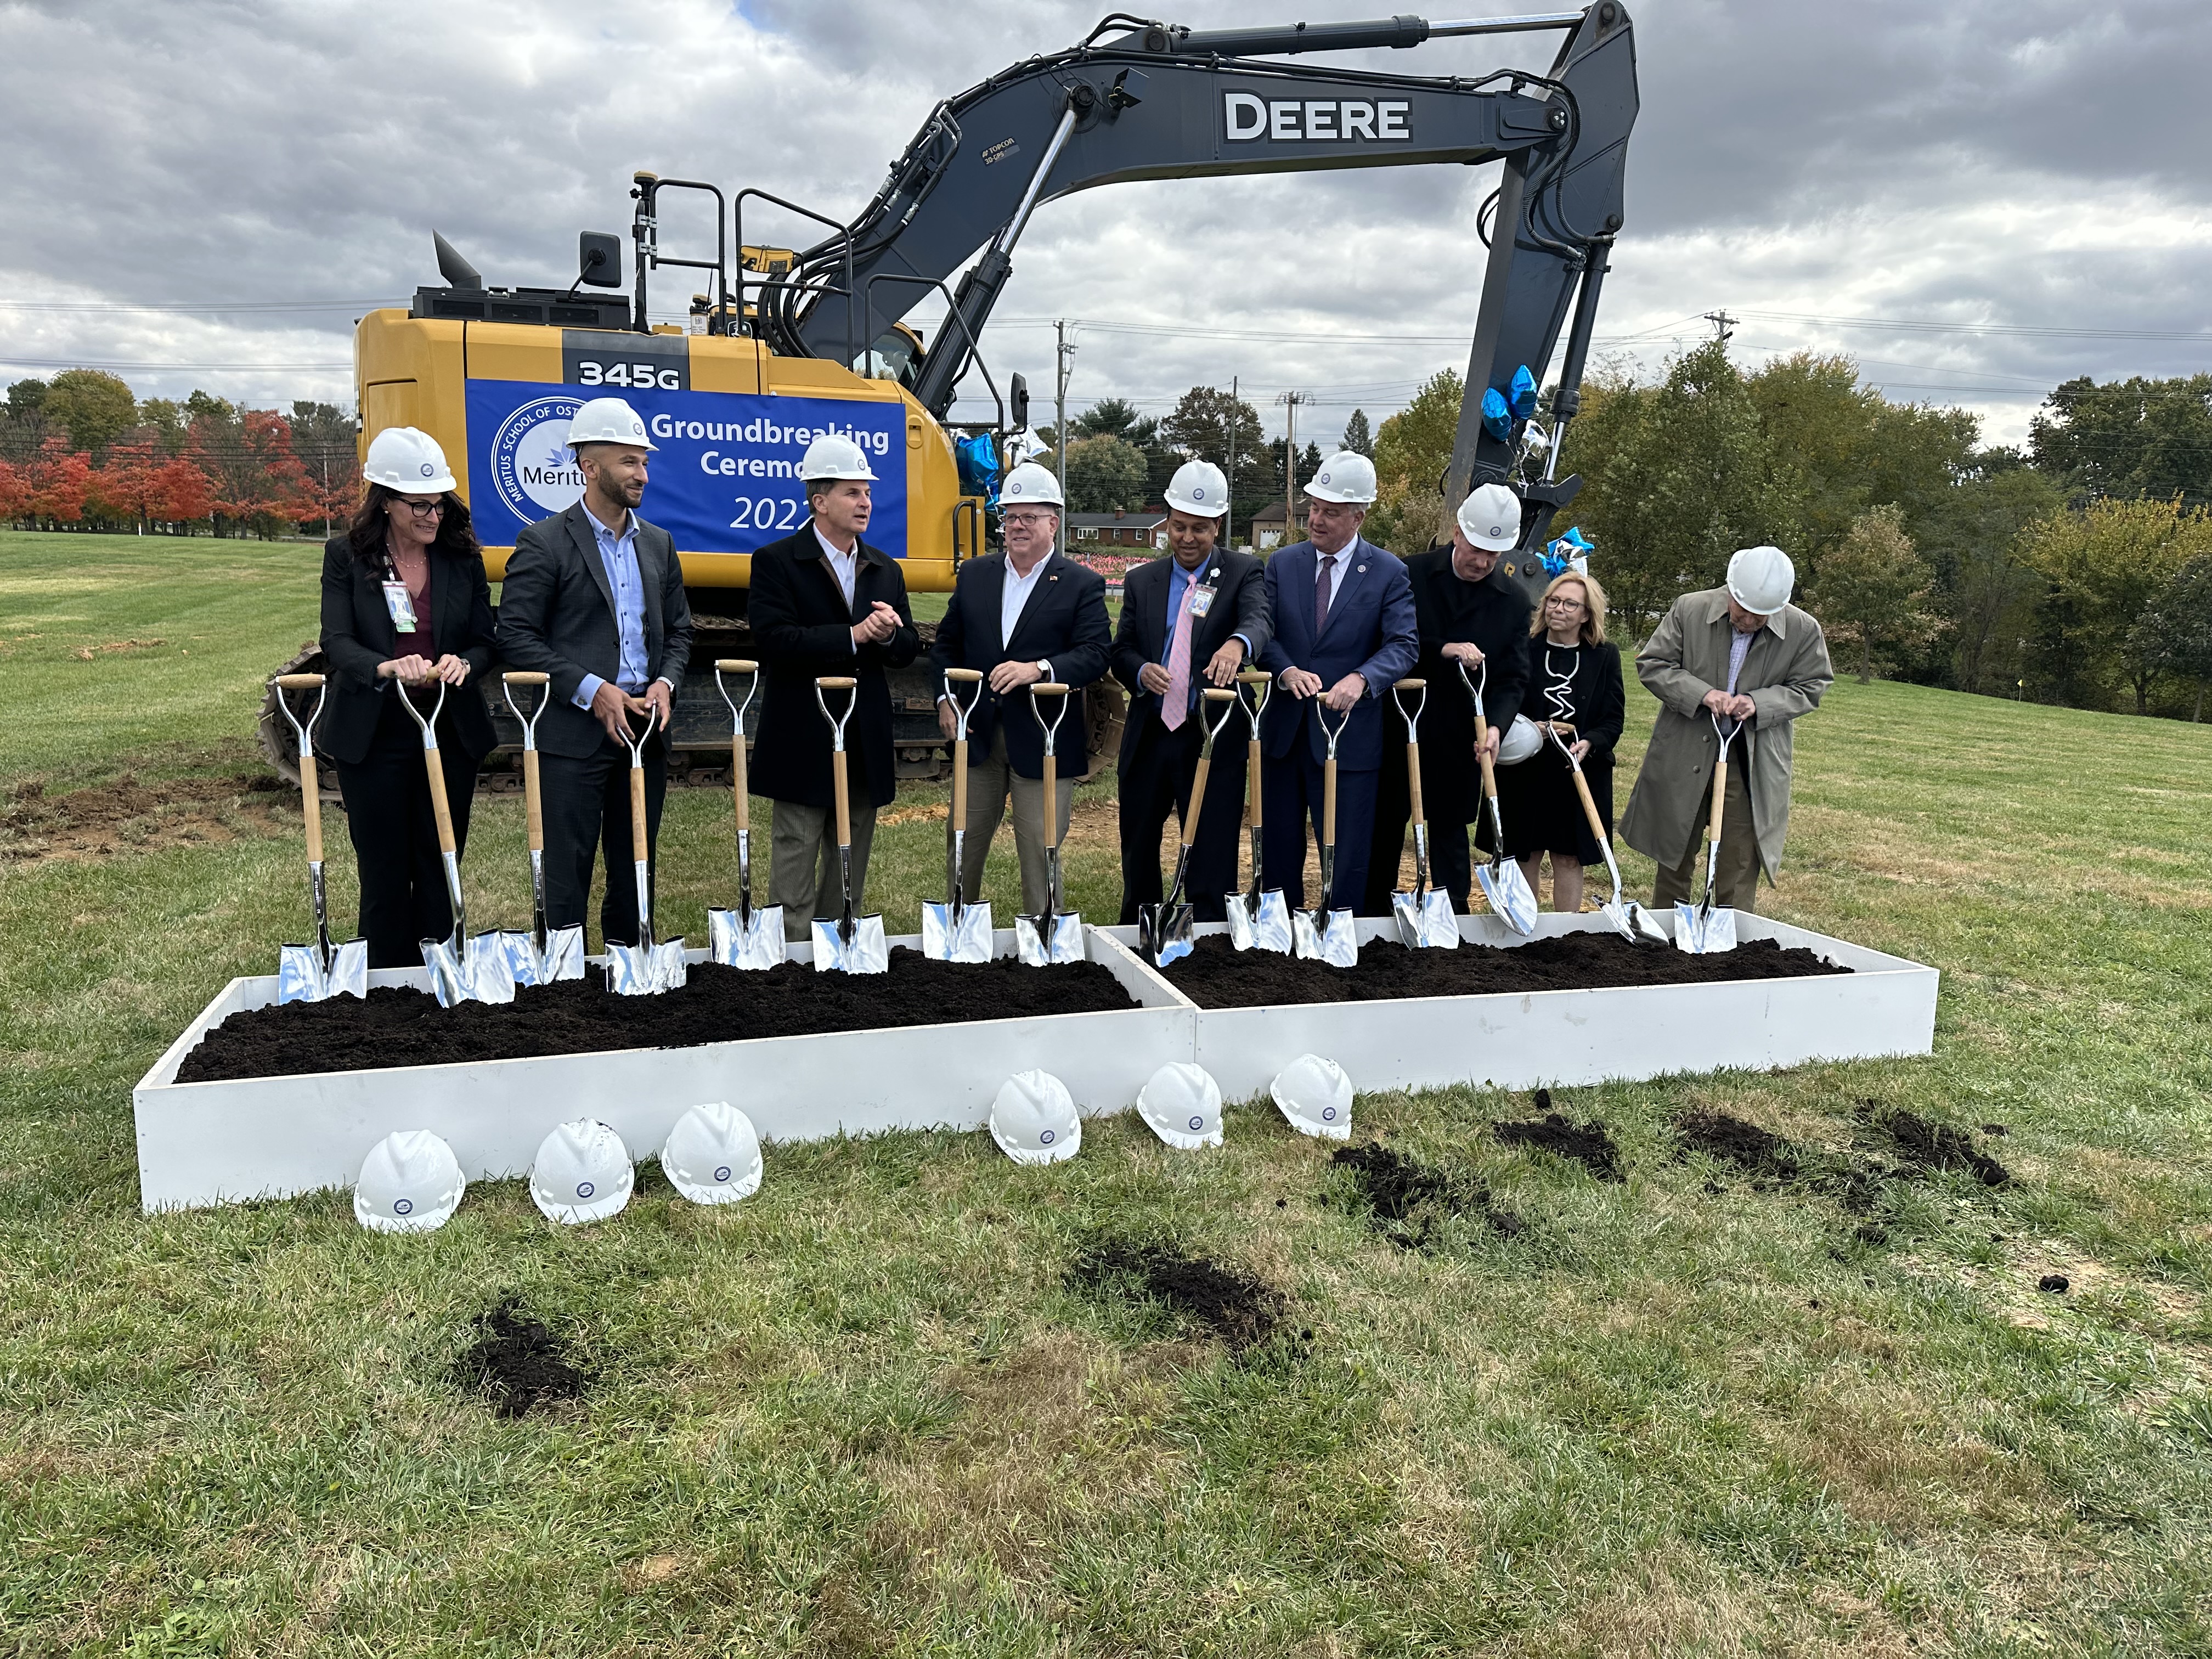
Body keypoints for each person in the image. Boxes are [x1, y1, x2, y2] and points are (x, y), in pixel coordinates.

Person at [495, 397, 695, 949]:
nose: (642, 474)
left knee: (637, 867)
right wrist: (591, 690)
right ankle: (563, 989)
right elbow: (515, 636)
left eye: (645, 463)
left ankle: (629, 975)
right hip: (574, 734)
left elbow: (679, 632)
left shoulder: (658, 544)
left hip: (644, 732)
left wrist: (665, 683)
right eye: (629, 462)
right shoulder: (545, 543)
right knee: (568, 873)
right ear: (589, 466)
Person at [317, 427, 498, 968]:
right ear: (386, 503)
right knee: (384, 871)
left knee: (441, 861)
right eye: (419, 506)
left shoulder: (461, 559)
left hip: (447, 728)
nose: (433, 517)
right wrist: (384, 666)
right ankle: (388, 988)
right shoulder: (347, 558)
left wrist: (465, 661)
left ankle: (442, 981)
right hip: (374, 734)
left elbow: (486, 641)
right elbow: (337, 641)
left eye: (439, 505)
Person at [747, 433, 921, 940]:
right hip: (802, 733)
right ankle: (793, 954)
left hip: (862, 736)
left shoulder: (885, 568)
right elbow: (775, 640)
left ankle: (839, 946)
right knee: (797, 848)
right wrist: (852, 636)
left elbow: (908, 648)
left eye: (867, 492)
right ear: (819, 501)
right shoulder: (777, 561)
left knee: (851, 855)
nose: (865, 502)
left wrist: (892, 635)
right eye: (852, 492)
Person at [930, 461, 1112, 916]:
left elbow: (1095, 653)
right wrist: (945, 698)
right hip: (979, 737)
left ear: (1054, 522)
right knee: (962, 844)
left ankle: (1046, 940)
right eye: (1010, 516)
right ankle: (957, 928)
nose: (1016, 526)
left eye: (1028, 517)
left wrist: (1041, 669)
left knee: (1040, 849)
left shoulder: (1081, 584)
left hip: (1045, 738)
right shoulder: (975, 575)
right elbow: (946, 645)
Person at [1621, 545, 1834, 913]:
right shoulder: (1690, 609)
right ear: (1731, 592)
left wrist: (1759, 703)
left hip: (1751, 762)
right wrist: (1702, 694)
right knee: (1675, 849)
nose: (1749, 620)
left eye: (1760, 615)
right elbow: (1654, 664)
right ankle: (1667, 934)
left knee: (1739, 858)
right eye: (1743, 610)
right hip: (1685, 749)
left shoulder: (1803, 630)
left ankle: (1730, 944)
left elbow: (1812, 686)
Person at [1255, 450, 1418, 915]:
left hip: (1349, 738)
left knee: (1346, 850)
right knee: (1280, 845)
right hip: (1285, 734)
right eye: (1313, 508)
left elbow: (1404, 645)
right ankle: (1280, 933)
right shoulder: (1282, 564)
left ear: (1358, 516)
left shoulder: (1388, 572)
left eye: (1330, 512)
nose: (1316, 519)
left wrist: (1362, 679)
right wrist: (1285, 670)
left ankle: (1339, 933)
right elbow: (1263, 629)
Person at [1110, 460, 1271, 924]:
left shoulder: (1243, 572)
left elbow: (1259, 620)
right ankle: (1138, 923)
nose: (1187, 538)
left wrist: (1238, 645)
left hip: (1213, 735)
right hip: (1151, 732)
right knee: (1139, 835)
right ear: (1168, 521)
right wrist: (1141, 672)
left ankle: (1207, 927)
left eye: (1199, 529)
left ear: (1217, 526)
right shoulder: (1143, 580)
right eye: (1179, 527)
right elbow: (1121, 651)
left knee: (1211, 837)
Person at [1363, 483, 1532, 916]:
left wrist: (1496, 726)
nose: (1482, 562)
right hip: (1398, 724)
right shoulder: (1409, 574)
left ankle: (1453, 919)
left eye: (1493, 555)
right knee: (1383, 826)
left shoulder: (1512, 601)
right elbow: (1383, 641)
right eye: (1475, 549)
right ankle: (1371, 916)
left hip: (1461, 736)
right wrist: (1443, 648)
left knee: (1451, 829)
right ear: (1458, 533)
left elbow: (1513, 676)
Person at [1493, 568, 1624, 914]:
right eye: (1554, 600)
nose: (1559, 609)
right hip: (1525, 767)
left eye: (1570, 604)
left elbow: (1613, 718)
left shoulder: (1605, 656)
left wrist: (1591, 742)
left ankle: (1566, 933)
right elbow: (1502, 699)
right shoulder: (1523, 648)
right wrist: (1524, 728)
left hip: (1578, 769)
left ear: (1586, 614)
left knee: (1568, 856)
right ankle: (1526, 929)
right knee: (1525, 852)